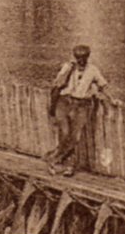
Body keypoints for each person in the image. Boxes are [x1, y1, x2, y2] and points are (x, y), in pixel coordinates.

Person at [47, 45, 117, 176]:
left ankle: (64, 163)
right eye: (78, 58)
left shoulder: (93, 70)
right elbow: (57, 83)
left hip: (82, 104)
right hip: (65, 101)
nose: (81, 61)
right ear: (75, 57)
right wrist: (68, 70)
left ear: (88, 57)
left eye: (84, 58)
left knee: (75, 136)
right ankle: (56, 160)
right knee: (65, 133)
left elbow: (103, 86)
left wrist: (112, 99)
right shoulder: (68, 67)